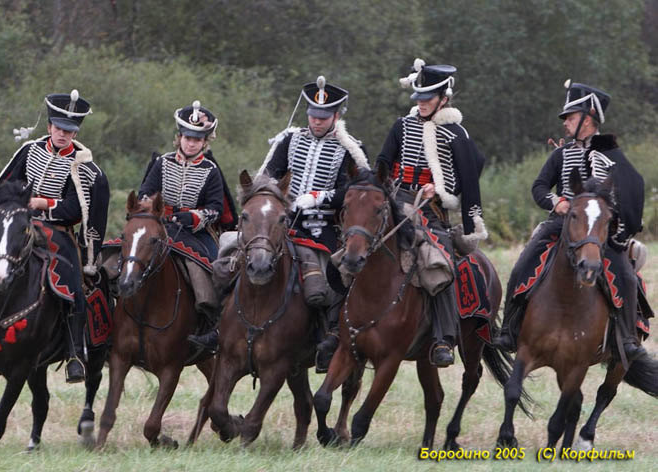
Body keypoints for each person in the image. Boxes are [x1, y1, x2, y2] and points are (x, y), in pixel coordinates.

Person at [188, 76, 370, 372]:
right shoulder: (290, 139)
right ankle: (218, 328)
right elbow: (267, 175)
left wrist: (318, 197)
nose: (317, 121)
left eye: (323, 117)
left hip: (320, 228)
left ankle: (329, 337)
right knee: (228, 262)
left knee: (333, 280)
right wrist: (273, 199)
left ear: (336, 116)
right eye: (313, 115)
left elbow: (353, 193)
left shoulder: (351, 150)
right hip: (276, 222)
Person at [0, 90, 110, 383]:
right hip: (18, 227)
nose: (63, 134)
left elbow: (77, 209)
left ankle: (75, 352)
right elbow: (4, 188)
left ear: (76, 132)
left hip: (59, 235)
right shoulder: (28, 151)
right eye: (59, 128)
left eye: (70, 131)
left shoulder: (86, 167)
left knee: (74, 289)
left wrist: (42, 203)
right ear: (50, 127)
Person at [495, 81, 646, 362]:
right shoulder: (561, 154)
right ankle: (509, 329)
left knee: (625, 275)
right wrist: (557, 202)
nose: (566, 124)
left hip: (598, 230)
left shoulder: (612, 155)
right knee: (523, 264)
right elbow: (539, 187)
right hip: (561, 224)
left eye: (571, 118)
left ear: (588, 120)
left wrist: (619, 229)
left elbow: (633, 188)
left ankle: (626, 338)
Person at [376, 59, 488, 367]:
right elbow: (383, 162)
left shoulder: (455, 134)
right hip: (395, 202)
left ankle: (443, 338)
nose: (422, 103)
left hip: (432, 211)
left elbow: (471, 169)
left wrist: (439, 190)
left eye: (428, 98)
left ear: (444, 99)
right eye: (419, 98)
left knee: (439, 261)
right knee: (357, 246)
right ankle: (336, 327)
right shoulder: (401, 126)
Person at [138, 101, 235, 329]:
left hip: (195, 233)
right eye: (188, 138)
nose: (191, 143)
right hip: (160, 226)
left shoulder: (211, 171)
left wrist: (192, 217)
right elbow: (144, 194)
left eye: (197, 139)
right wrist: (154, 211)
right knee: (126, 257)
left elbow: (215, 209)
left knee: (215, 271)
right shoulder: (162, 162)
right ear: (179, 137)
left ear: (205, 141)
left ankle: (213, 325)